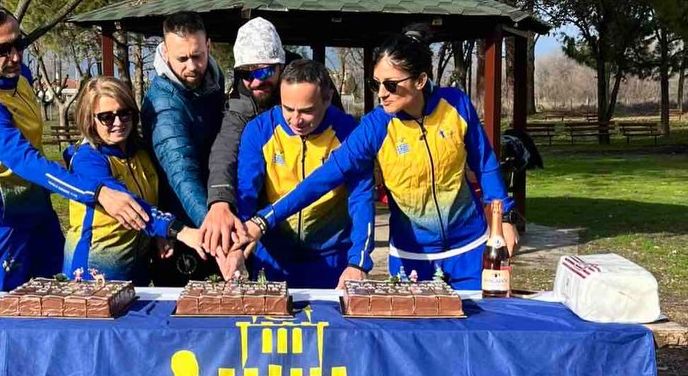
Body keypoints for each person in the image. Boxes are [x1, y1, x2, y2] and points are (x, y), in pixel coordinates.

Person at [239, 28, 519, 290]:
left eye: (391, 85)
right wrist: (263, 220)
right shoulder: (375, 126)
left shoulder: (456, 104)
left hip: (470, 249)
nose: (382, 93)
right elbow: (322, 179)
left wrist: (504, 217)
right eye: (376, 84)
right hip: (411, 258)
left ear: (420, 81)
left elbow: (485, 164)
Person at [0, 5, 149, 291]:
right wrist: (97, 192)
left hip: (39, 212)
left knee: (56, 297)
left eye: (19, 43)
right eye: (2, 50)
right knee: (0, 307)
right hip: (1, 219)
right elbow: (26, 161)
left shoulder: (20, 74)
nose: (15, 56)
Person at [221, 59, 374, 289]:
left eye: (307, 111)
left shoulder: (349, 132)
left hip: (331, 259)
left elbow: (361, 197)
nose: (295, 120)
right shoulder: (259, 129)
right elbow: (246, 194)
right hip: (273, 258)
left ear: (328, 98)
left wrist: (358, 262)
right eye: (288, 108)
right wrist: (237, 247)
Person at [200, 18, 344, 257]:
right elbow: (225, 150)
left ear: (281, 65)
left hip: (324, 225)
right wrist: (220, 200)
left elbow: (339, 137)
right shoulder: (241, 97)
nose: (256, 81)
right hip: (270, 223)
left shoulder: (312, 82)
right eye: (246, 73)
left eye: (265, 71)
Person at [62, 77, 205, 285]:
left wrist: (159, 233)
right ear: (90, 119)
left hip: (137, 270)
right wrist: (177, 230)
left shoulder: (141, 151)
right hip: (93, 273)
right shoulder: (87, 160)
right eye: (106, 117)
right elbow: (128, 204)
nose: (118, 122)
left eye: (124, 113)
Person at [141, 11, 225, 284]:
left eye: (197, 56)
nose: (192, 66)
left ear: (208, 46)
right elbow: (181, 173)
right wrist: (214, 229)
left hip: (217, 207)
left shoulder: (215, 82)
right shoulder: (164, 105)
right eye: (182, 59)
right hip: (183, 225)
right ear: (166, 53)